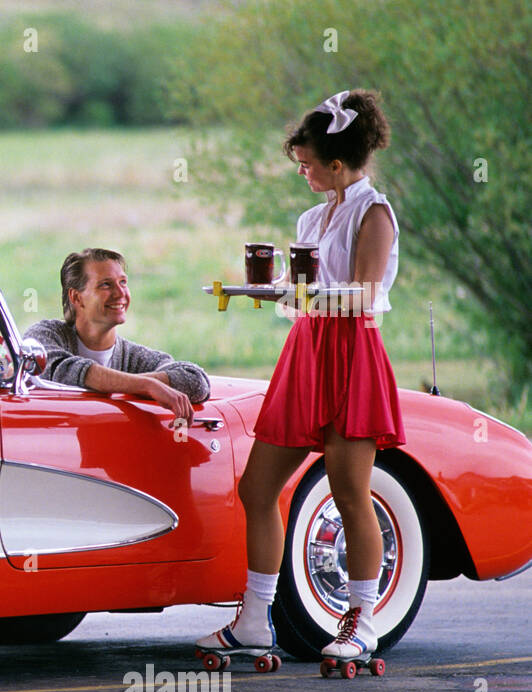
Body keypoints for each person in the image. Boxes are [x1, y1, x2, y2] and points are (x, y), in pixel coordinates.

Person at [196, 89, 404, 663]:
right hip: (308, 350)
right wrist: (277, 295)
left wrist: (303, 294)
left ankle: (361, 621)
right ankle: (255, 619)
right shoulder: (312, 217)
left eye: (308, 164)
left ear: (337, 163)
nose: (304, 172)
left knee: (349, 494)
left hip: (352, 353)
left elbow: (363, 294)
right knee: (256, 489)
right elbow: (305, 296)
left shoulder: (374, 212)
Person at [23, 248, 209, 422]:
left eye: (123, 282)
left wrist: (134, 383)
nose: (121, 293)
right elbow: (57, 370)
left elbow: (195, 381)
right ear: (76, 297)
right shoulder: (44, 335)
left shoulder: (134, 357)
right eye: (106, 285)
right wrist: (146, 386)